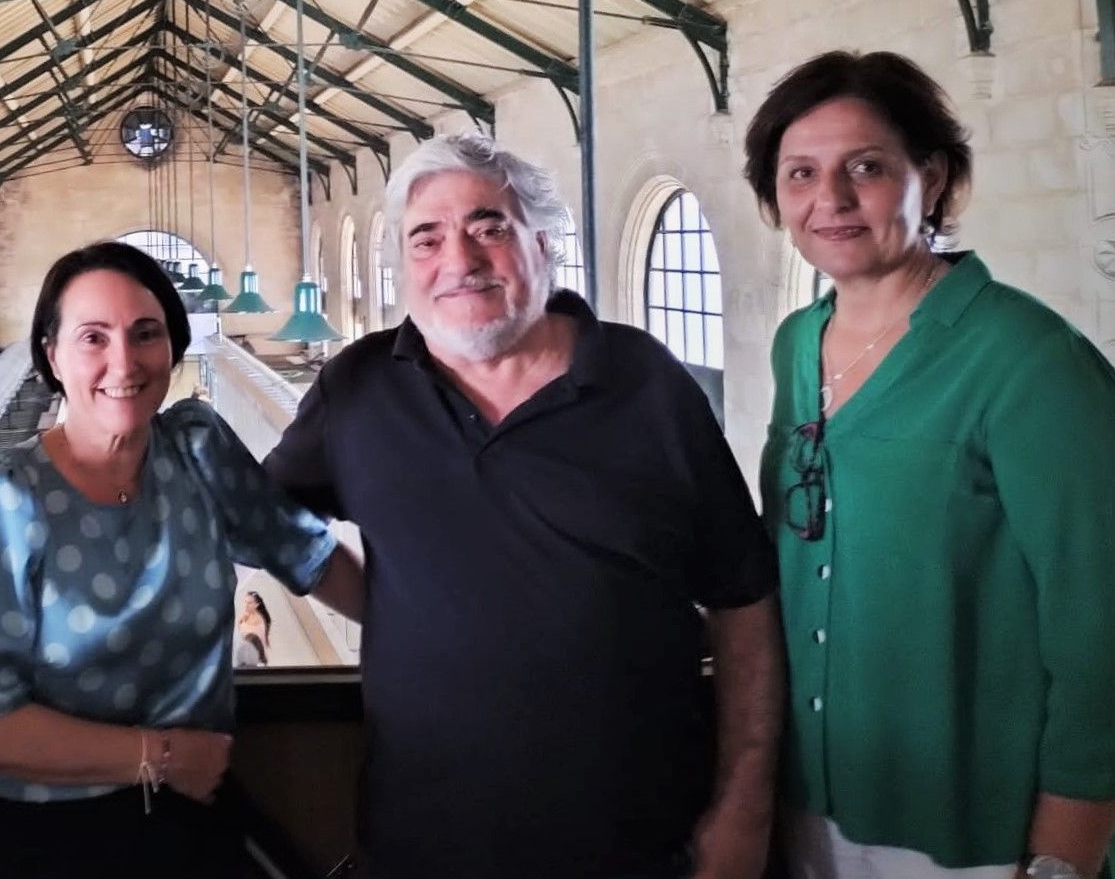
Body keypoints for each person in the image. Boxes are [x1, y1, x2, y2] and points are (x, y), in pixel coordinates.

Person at [267, 132, 783, 879]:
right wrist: (378, 602)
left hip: (642, 843)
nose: (459, 260)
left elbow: (742, 602)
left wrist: (744, 808)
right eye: (426, 238)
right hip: (423, 843)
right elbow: (263, 518)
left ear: (544, 243)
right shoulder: (358, 388)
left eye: (488, 227)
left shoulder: (644, 382)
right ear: (404, 268)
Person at [746, 51, 1115, 879]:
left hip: (974, 829)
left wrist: (1068, 844)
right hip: (812, 802)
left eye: (865, 168)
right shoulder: (794, 346)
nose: (829, 200)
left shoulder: (1027, 360)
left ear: (932, 176)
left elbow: (1099, 618)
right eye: (799, 172)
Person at [0, 240, 361, 879]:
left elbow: (315, 557)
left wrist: (439, 643)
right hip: (45, 841)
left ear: (172, 347)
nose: (122, 361)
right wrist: (161, 756)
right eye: (93, 337)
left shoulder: (198, 451)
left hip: (189, 822)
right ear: (52, 354)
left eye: (145, 333)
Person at [234, 590, 272, 668]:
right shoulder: (246, 616)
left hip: (256, 660)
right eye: (245, 602)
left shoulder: (257, 620)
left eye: (250, 603)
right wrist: (241, 621)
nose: (246, 605)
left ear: (257, 605)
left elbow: (248, 639)